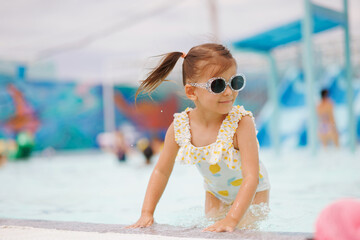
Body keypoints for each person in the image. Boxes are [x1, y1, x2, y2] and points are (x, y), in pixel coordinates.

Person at [127, 43, 270, 232]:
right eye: (218, 84)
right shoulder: (180, 127)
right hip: (215, 193)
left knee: (244, 232)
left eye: (234, 82)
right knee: (211, 230)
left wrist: (232, 219)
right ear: (191, 92)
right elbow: (161, 171)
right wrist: (147, 212)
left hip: (254, 193)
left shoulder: (241, 123)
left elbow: (251, 177)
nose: (229, 91)